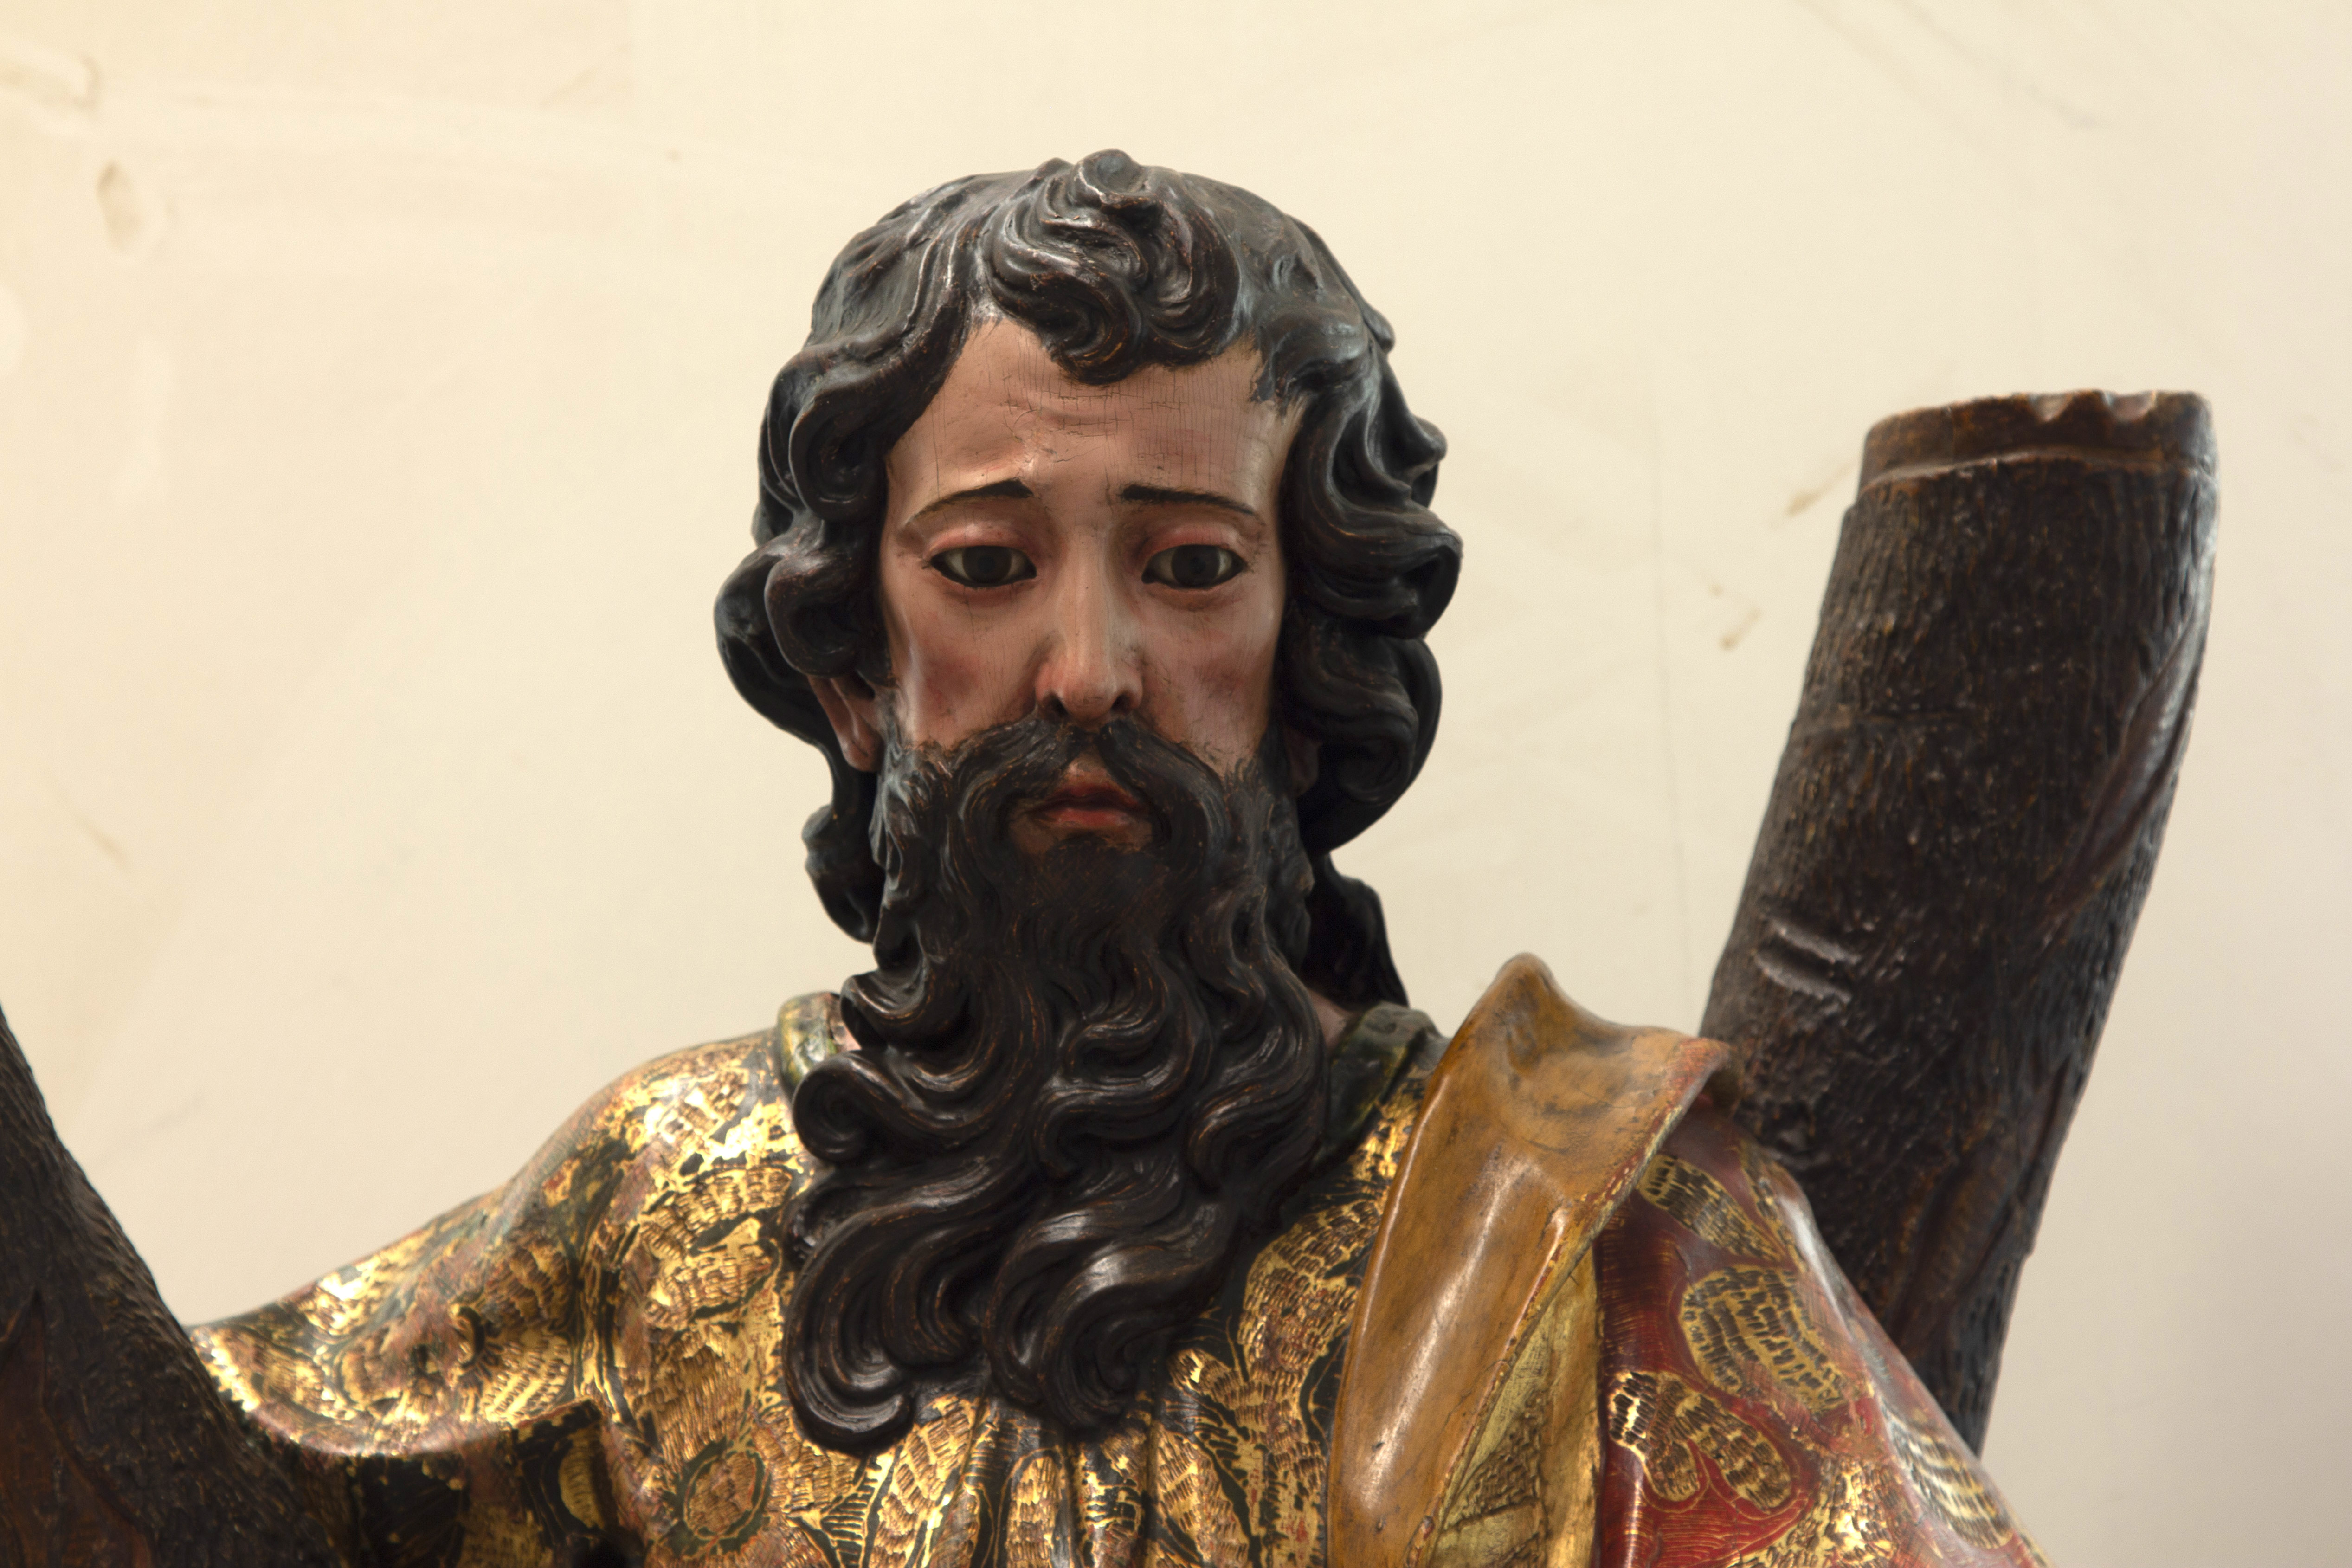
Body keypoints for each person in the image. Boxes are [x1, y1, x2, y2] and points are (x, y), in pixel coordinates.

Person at [16, 152, 2051, 1567]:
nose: (1091, 669)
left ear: (1309, 651)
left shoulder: (1580, 1224)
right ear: (852, 669)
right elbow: (189, 1498)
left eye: (1192, 566)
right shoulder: (661, 1212)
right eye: (986, 566)